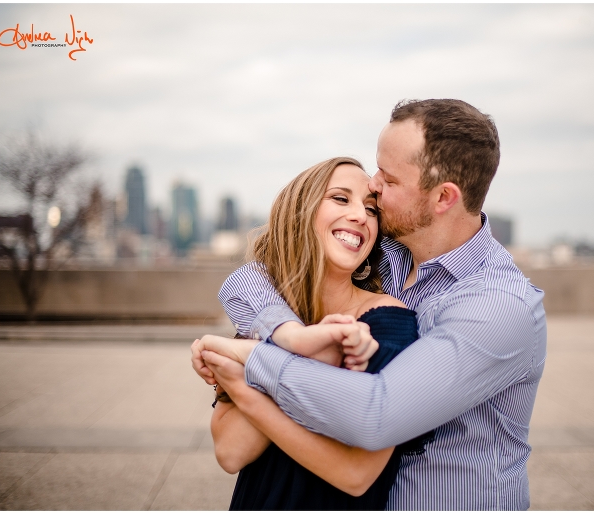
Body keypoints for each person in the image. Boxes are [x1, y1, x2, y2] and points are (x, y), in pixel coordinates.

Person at [194, 99, 547, 510]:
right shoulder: (388, 255)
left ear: (443, 197)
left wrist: (247, 360)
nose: (374, 186)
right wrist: (291, 335)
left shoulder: (499, 306)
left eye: (389, 179)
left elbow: (376, 415)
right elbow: (254, 277)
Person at [194, 156, 429, 510]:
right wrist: (304, 349)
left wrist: (247, 368)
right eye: (340, 198)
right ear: (299, 212)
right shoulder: (269, 316)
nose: (360, 215)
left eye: (371, 208)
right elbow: (230, 452)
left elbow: (356, 475)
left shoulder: (388, 322)